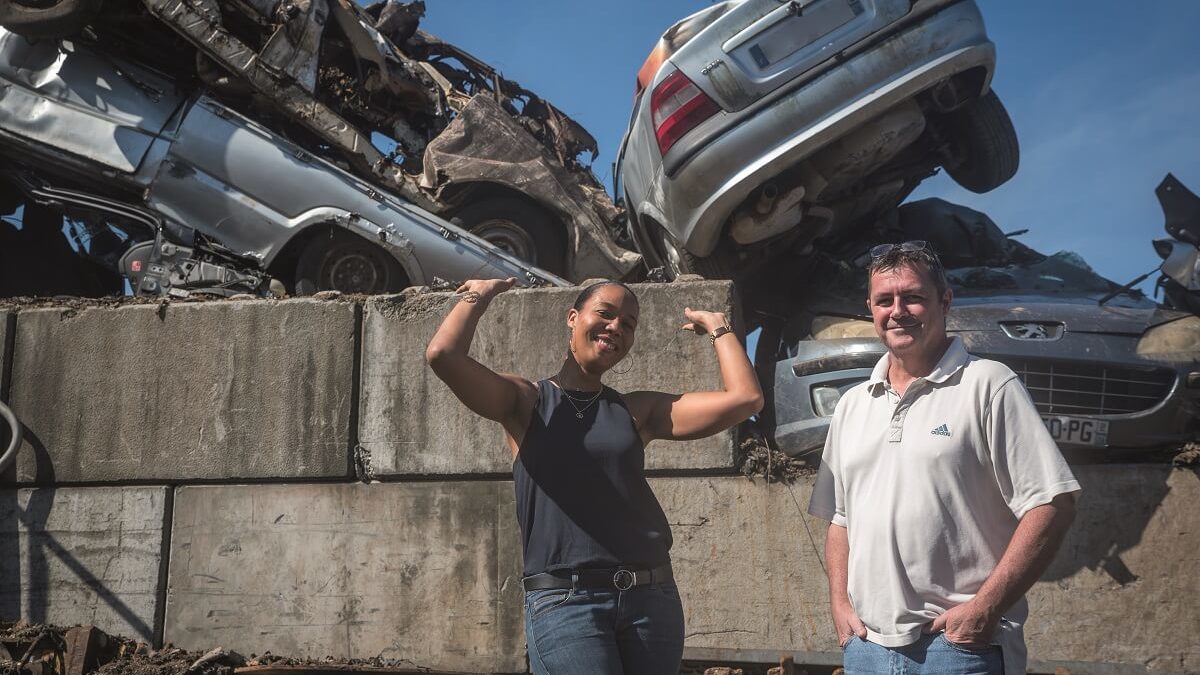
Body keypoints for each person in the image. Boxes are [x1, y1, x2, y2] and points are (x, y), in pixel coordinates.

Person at [425, 277, 763, 675]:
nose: (617, 326)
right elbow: (444, 354)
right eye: (605, 313)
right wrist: (477, 295)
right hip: (566, 603)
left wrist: (718, 327)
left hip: (650, 599)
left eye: (629, 323)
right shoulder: (525, 401)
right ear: (573, 317)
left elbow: (745, 399)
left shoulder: (637, 412)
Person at [808, 241, 1080, 675]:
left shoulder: (989, 385)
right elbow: (840, 519)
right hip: (866, 650)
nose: (897, 310)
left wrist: (984, 609)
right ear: (871, 309)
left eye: (913, 297)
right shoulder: (852, 405)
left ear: (945, 300)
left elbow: (1052, 503)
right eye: (884, 300)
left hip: (957, 649)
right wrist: (839, 605)